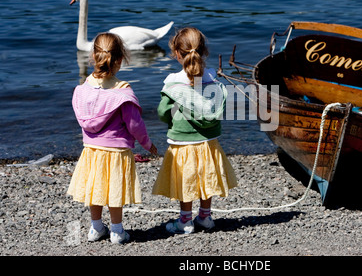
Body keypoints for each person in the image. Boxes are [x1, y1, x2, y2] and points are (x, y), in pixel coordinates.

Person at [67, 32, 158, 244]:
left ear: (93, 56)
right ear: (120, 59)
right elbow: (135, 125)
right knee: (114, 191)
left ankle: (96, 228)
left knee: (95, 190)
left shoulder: (82, 89)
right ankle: (117, 231)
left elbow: (82, 116)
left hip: (91, 150)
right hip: (116, 152)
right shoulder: (122, 92)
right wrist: (148, 144)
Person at [152, 27, 238, 234]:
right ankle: (205, 217)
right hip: (209, 141)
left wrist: (172, 119)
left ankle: (185, 221)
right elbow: (220, 109)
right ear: (204, 51)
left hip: (183, 143)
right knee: (206, 177)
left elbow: (163, 112)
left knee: (186, 180)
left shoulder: (174, 83)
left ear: (176, 53)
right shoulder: (213, 81)